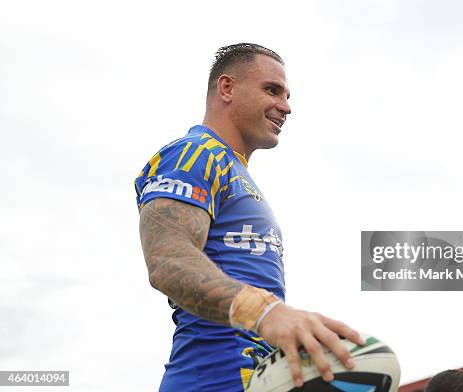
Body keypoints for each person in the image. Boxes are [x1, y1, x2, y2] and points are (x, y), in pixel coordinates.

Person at [134, 43, 364, 392]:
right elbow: (167, 259)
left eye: (287, 95)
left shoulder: (236, 172)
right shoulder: (193, 153)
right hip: (211, 380)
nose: (285, 107)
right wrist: (267, 312)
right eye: (271, 90)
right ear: (226, 88)